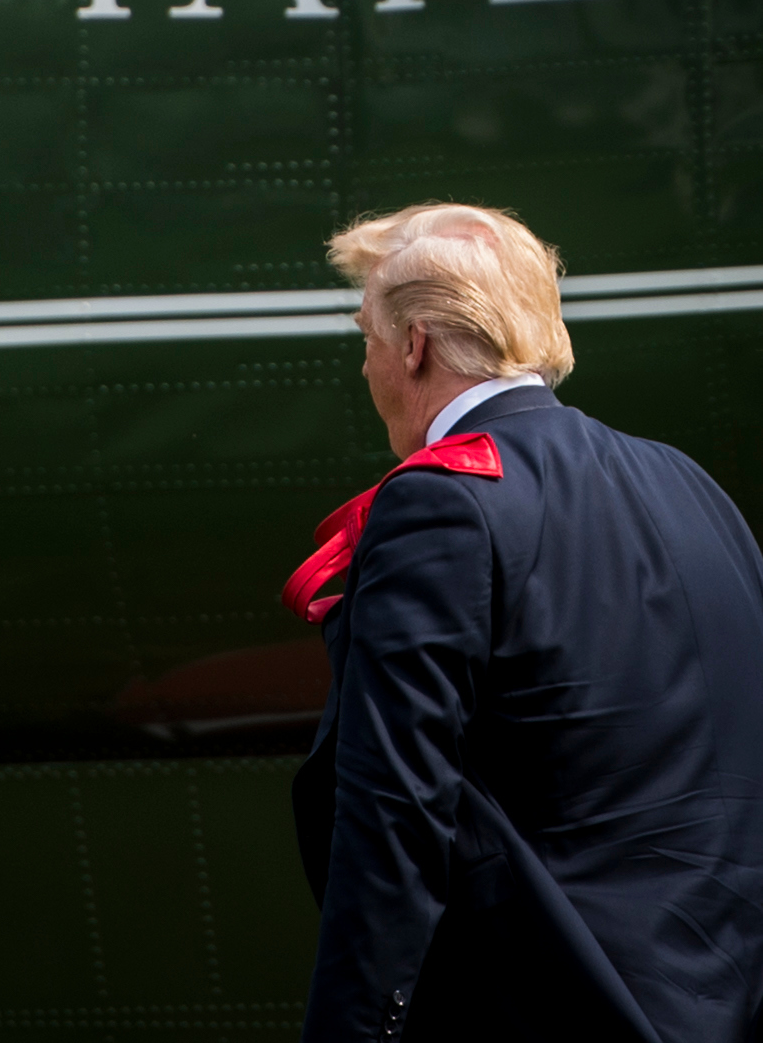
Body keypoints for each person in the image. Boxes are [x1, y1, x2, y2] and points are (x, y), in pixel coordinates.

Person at [284, 204, 763, 1042]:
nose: (365, 366)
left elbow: (394, 814)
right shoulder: (691, 486)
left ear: (415, 344)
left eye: (365, 338)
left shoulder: (442, 502)